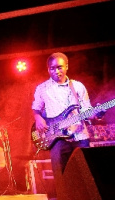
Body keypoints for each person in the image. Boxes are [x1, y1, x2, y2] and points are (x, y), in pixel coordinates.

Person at [32, 52, 98, 184]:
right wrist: (38, 118)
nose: (56, 71)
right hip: (57, 139)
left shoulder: (78, 86)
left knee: (86, 175)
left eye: (60, 67)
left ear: (67, 66)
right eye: (52, 68)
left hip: (80, 136)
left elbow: (87, 110)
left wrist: (97, 113)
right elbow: (36, 108)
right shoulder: (42, 88)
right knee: (61, 177)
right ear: (48, 69)